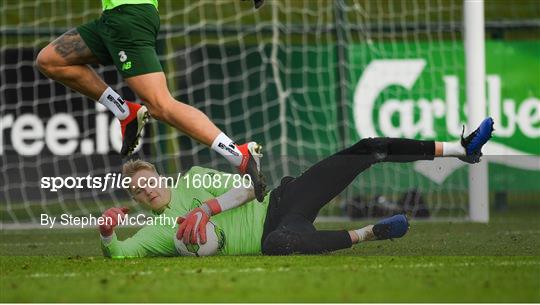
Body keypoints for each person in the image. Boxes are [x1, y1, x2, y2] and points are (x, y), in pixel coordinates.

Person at [97, 118, 495, 258]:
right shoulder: (155, 233)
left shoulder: (194, 179)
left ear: (160, 178)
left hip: (284, 199)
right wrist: (108, 232)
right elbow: (119, 254)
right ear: (135, 201)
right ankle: (370, 232)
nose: (147, 190)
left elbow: (253, 188)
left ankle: (461, 148)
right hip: (276, 233)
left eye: (148, 181)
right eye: (138, 191)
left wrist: (206, 210)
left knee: (367, 148)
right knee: (280, 245)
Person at [34, 0, 266, 201]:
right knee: (50, 60)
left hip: (129, 19)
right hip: (112, 20)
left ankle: (239, 154)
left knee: (160, 105)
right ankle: (125, 112)